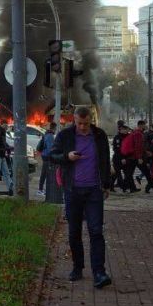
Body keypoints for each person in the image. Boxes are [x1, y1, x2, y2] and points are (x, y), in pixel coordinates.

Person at [49, 106, 112, 289]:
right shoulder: (65, 136)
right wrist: (67, 157)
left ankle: (99, 272)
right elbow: (51, 155)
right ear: (74, 120)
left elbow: (105, 161)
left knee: (96, 231)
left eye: (86, 123)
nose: (83, 127)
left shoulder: (99, 136)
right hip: (73, 189)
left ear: (91, 120)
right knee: (74, 231)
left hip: (94, 190)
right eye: (80, 123)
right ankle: (77, 267)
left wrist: (106, 184)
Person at [120, 120, 153, 192]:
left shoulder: (135, 133)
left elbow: (139, 146)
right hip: (135, 157)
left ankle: (125, 187)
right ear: (141, 125)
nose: (146, 126)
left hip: (133, 157)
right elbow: (138, 146)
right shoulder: (138, 134)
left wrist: (145, 152)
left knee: (130, 173)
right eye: (145, 125)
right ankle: (151, 186)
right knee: (146, 172)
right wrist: (139, 157)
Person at [36, 122, 57, 196]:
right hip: (47, 157)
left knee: (45, 173)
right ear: (54, 128)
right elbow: (50, 148)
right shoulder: (50, 136)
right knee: (46, 173)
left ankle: (41, 189)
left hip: (44, 155)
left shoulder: (46, 134)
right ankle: (40, 189)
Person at [109, 121, 127, 193]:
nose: (125, 130)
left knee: (120, 174)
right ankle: (122, 186)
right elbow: (117, 149)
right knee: (117, 174)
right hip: (117, 158)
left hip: (124, 158)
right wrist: (122, 158)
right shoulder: (117, 137)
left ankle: (113, 186)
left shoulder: (125, 136)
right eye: (123, 129)